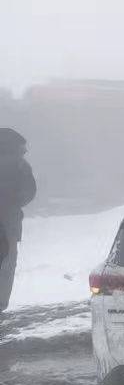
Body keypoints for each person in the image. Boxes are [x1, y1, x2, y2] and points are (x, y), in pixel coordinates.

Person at [0, 128, 37, 313]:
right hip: (9, 225)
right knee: (7, 264)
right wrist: (13, 202)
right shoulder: (20, 165)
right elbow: (29, 192)